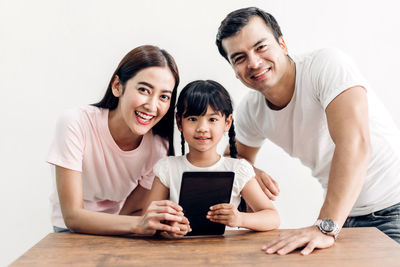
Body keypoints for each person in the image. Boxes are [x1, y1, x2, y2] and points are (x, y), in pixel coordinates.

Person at [216, 7, 400, 254]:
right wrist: (248, 170)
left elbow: (354, 144)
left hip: (393, 207)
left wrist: (325, 227)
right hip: (345, 220)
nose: (254, 62)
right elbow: (231, 158)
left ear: (282, 44)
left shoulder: (325, 65)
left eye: (261, 47)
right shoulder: (251, 109)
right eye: (239, 58)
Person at [46, 45, 190, 236]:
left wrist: (162, 226)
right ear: (117, 86)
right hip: (70, 231)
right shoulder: (75, 123)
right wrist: (139, 224)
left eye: (164, 96)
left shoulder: (158, 146)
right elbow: (73, 217)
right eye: (144, 90)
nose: (152, 106)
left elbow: (133, 213)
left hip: (121, 227)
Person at [128, 80, 280, 238]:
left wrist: (240, 218)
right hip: (177, 252)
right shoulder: (168, 167)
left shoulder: (238, 169)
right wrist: (168, 227)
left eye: (212, 119)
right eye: (193, 119)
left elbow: (272, 217)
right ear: (179, 122)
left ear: (227, 122)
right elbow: (148, 219)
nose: (202, 128)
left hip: (225, 253)